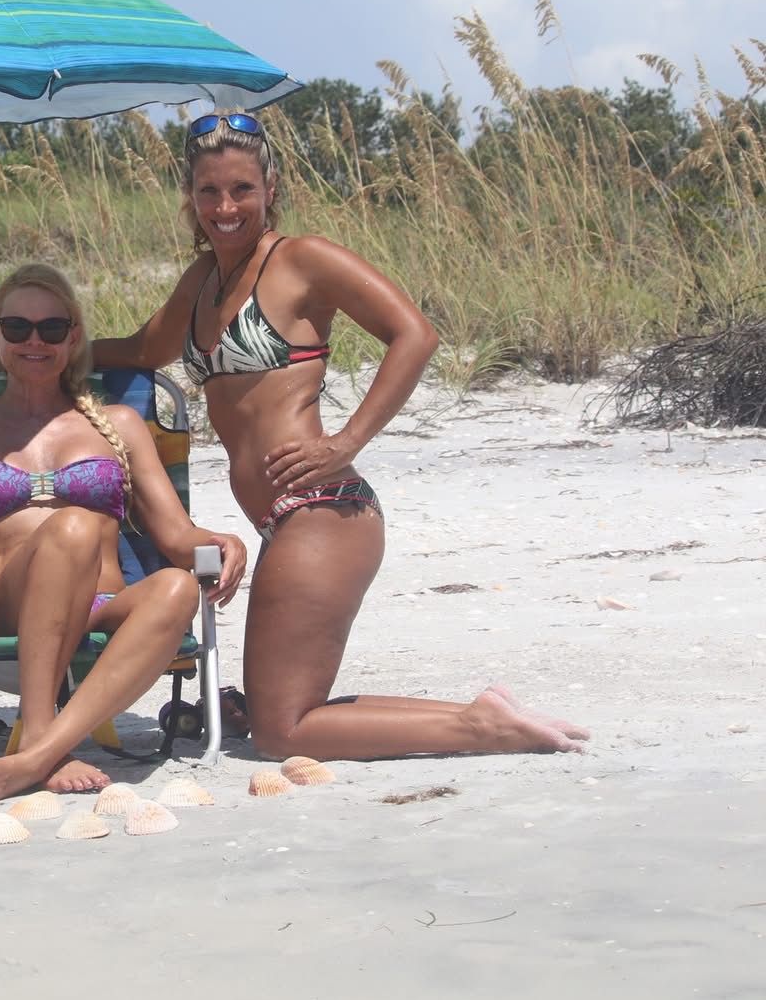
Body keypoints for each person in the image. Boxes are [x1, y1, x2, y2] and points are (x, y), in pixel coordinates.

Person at [92, 111, 589, 759]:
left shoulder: (302, 260)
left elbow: (414, 334)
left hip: (324, 513)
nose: (225, 206)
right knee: (283, 712)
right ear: (191, 198)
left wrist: (347, 440)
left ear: (270, 185)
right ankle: (479, 713)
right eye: (209, 191)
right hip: (285, 521)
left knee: (280, 733)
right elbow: (139, 349)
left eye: (242, 188)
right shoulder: (200, 283)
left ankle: (480, 730)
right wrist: (30, 356)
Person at [0, 263, 246, 801]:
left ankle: (42, 752)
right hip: (6, 601)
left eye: (52, 329)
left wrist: (222, 542)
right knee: (72, 526)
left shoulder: (118, 424)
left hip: (103, 602)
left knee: (175, 588)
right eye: (17, 328)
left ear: (73, 337)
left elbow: (174, 535)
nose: (35, 341)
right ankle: (43, 728)